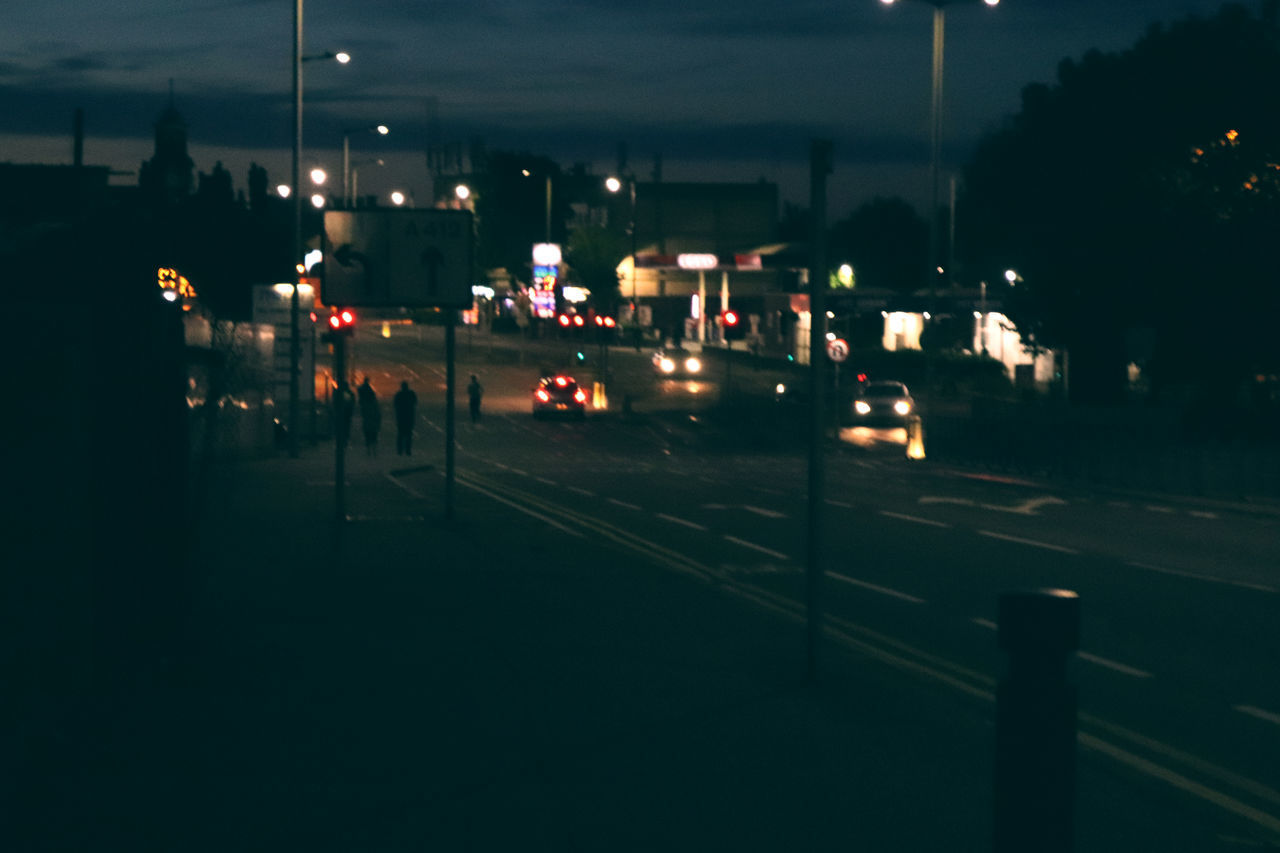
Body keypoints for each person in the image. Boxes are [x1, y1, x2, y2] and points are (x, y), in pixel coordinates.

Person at [393, 380, 418, 456]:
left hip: (401, 417)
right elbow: (415, 402)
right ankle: (408, 450)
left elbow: (395, 404)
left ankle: (400, 450)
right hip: (409, 417)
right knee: (408, 435)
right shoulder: (411, 394)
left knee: (400, 434)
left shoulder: (399, 395)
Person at [357, 376, 380, 456]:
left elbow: (363, 413)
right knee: (373, 437)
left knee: (368, 437)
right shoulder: (374, 404)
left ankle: (369, 451)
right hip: (373, 423)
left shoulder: (365, 405)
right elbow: (378, 414)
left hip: (367, 423)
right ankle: (374, 451)